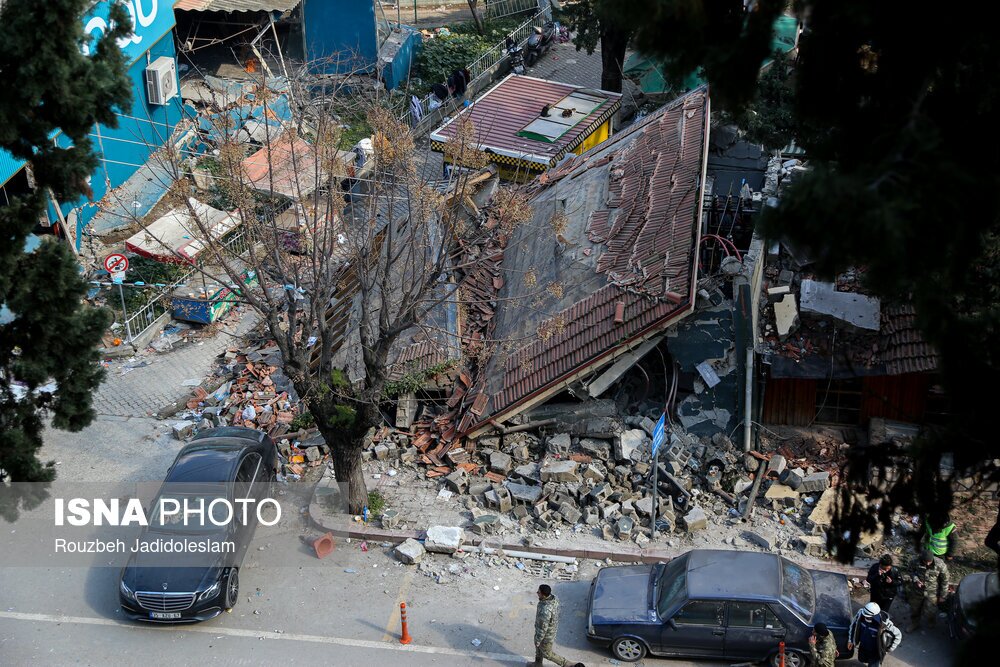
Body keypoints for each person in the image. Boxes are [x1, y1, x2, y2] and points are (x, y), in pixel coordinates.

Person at [529, 584, 576, 667]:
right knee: (539, 648)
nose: (537, 593)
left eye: (538, 592)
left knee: (547, 653)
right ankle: (538, 664)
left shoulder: (545, 610)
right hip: (551, 629)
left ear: (543, 595)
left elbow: (542, 628)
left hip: (546, 635)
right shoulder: (553, 598)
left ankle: (567, 664)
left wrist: (538, 640)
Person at [906, 548, 951, 632]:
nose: (927, 563)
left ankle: (931, 620)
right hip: (917, 590)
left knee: (931, 610)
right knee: (914, 608)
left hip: (932, 591)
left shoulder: (940, 564)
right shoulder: (915, 561)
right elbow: (909, 571)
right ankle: (914, 623)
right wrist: (916, 579)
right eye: (925, 562)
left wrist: (943, 595)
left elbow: (945, 580)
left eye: (929, 562)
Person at [848, 602, 902, 667]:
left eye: (868, 617)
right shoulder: (860, 615)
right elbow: (853, 626)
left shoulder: (884, 625)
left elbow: (898, 635)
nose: (865, 617)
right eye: (865, 615)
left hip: (875, 653)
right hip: (863, 648)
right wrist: (850, 640)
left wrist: (889, 649)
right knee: (861, 659)